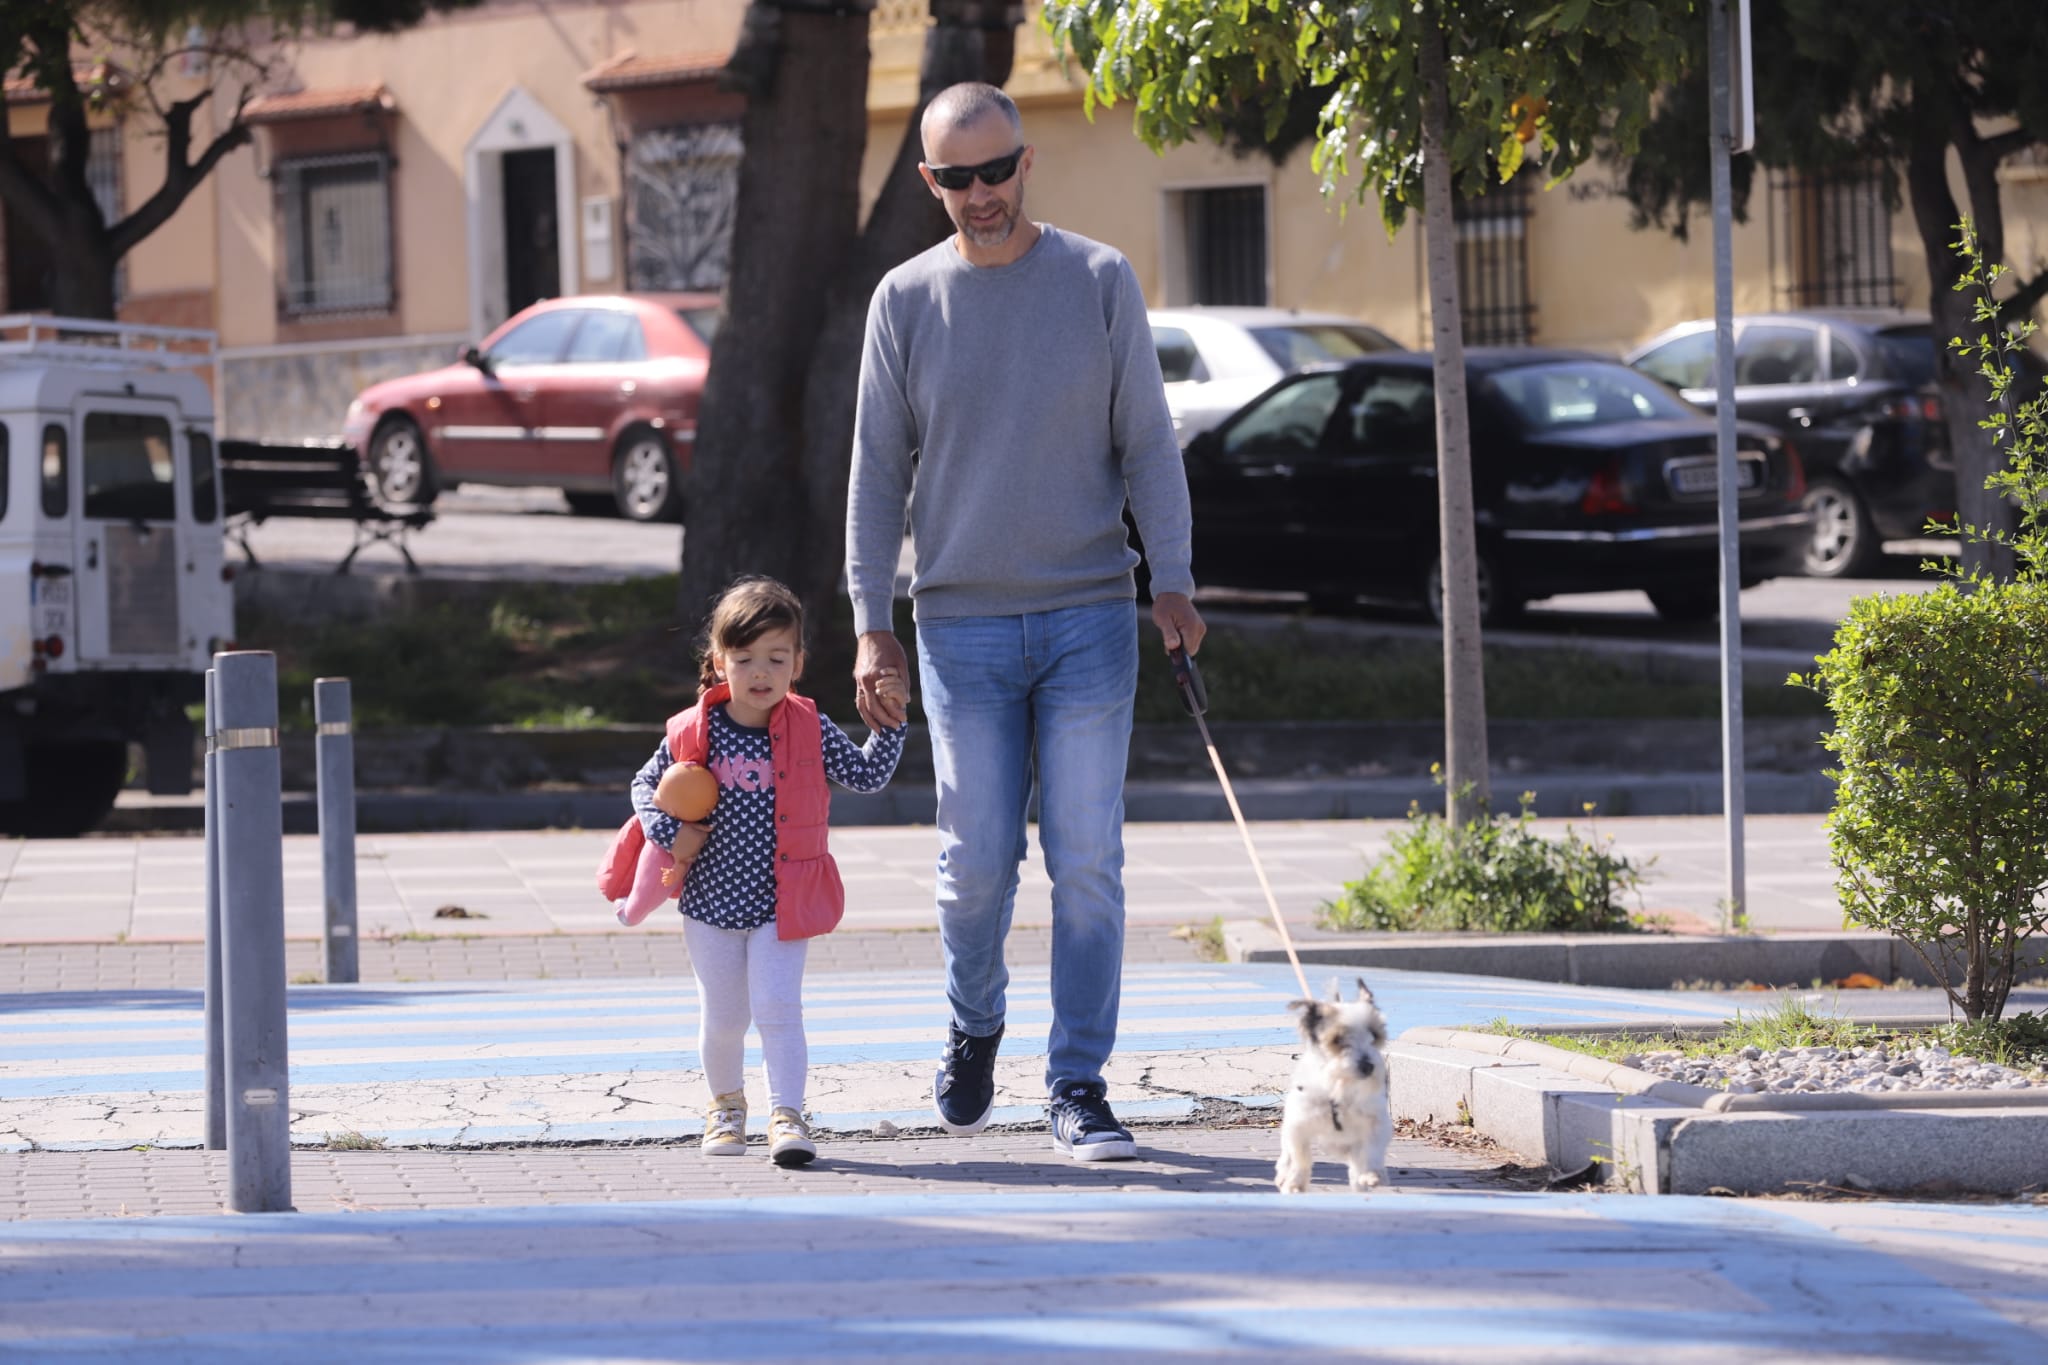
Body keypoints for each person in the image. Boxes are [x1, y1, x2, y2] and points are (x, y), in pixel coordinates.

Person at [845, 81, 1205, 1162]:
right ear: (928, 183)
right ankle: (973, 1022)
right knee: (974, 864)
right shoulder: (902, 302)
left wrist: (1173, 580)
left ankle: (1077, 1084)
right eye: (954, 178)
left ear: (1025, 162)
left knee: (1087, 858)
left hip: (1090, 613)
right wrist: (871, 623)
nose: (979, 193)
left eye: (994, 170)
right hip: (961, 627)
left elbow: (1147, 440)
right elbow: (872, 475)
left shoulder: (1097, 280)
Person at [625, 576, 907, 1166]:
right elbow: (645, 786)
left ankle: (789, 1114)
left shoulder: (809, 725)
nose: (760, 673)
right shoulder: (692, 731)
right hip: (710, 903)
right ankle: (726, 1107)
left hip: (785, 903)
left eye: (776, 658)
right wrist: (669, 831)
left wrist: (892, 723)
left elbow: (867, 776)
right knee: (725, 1017)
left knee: (780, 1008)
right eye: (745, 659)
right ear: (719, 662)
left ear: (798, 662)